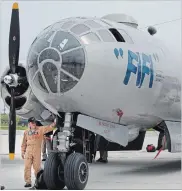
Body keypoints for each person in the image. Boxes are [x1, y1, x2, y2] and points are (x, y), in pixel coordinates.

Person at [21, 117, 56, 188]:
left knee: (37, 168)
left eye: (35, 122)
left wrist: (54, 123)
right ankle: (28, 182)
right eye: (32, 123)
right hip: (28, 151)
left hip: (36, 151)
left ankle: (39, 181)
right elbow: (24, 143)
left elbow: (48, 128)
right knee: (27, 167)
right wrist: (22, 151)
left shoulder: (40, 129)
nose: (34, 124)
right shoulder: (26, 132)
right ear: (29, 123)